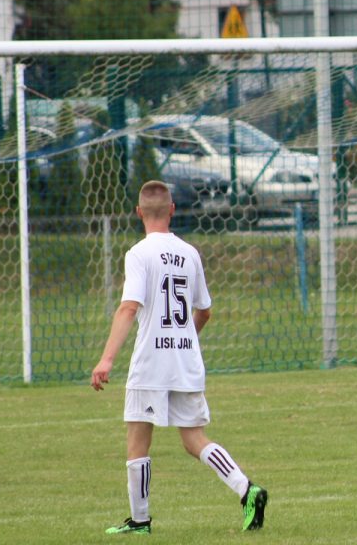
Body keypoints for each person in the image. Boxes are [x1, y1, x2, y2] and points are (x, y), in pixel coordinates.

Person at [91, 181, 268, 535]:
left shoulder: (139, 254)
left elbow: (129, 307)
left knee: (138, 439)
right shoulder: (190, 253)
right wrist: (184, 340)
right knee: (194, 438)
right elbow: (204, 312)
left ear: (139, 213)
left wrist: (106, 360)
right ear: (172, 210)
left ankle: (140, 521)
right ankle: (247, 489)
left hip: (151, 364)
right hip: (186, 360)